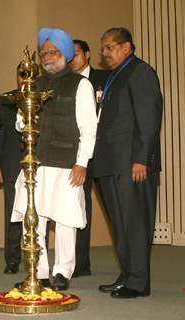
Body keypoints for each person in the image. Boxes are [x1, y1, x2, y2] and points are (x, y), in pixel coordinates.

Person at [12, 28, 97, 291]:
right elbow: (19, 123)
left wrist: (82, 162)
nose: (48, 57)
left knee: (64, 219)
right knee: (34, 216)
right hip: (36, 163)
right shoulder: (33, 85)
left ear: (65, 54)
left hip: (68, 164)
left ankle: (62, 271)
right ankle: (39, 271)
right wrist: (26, 118)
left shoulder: (80, 84)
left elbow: (89, 128)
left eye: (53, 52)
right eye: (44, 52)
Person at [94, 27, 162, 299]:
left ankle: (139, 282)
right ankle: (127, 274)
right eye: (104, 48)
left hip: (132, 164)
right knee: (120, 224)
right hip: (111, 163)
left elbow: (148, 120)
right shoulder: (115, 76)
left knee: (135, 222)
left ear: (127, 47)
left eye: (110, 47)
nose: (105, 53)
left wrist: (141, 159)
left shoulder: (141, 72)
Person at [68, 39, 109, 278]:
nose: (72, 59)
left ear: (88, 54)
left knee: (114, 208)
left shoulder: (105, 78)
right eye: (68, 55)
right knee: (79, 208)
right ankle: (80, 264)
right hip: (78, 154)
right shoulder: (65, 82)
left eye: (75, 54)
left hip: (104, 154)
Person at [0, 66, 25, 275]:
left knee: (40, 213)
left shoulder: (45, 96)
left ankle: (38, 261)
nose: (24, 78)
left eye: (29, 74)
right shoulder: (6, 99)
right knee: (13, 211)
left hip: (40, 164)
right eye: (21, 74)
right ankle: (12, 259)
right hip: (11, 163)